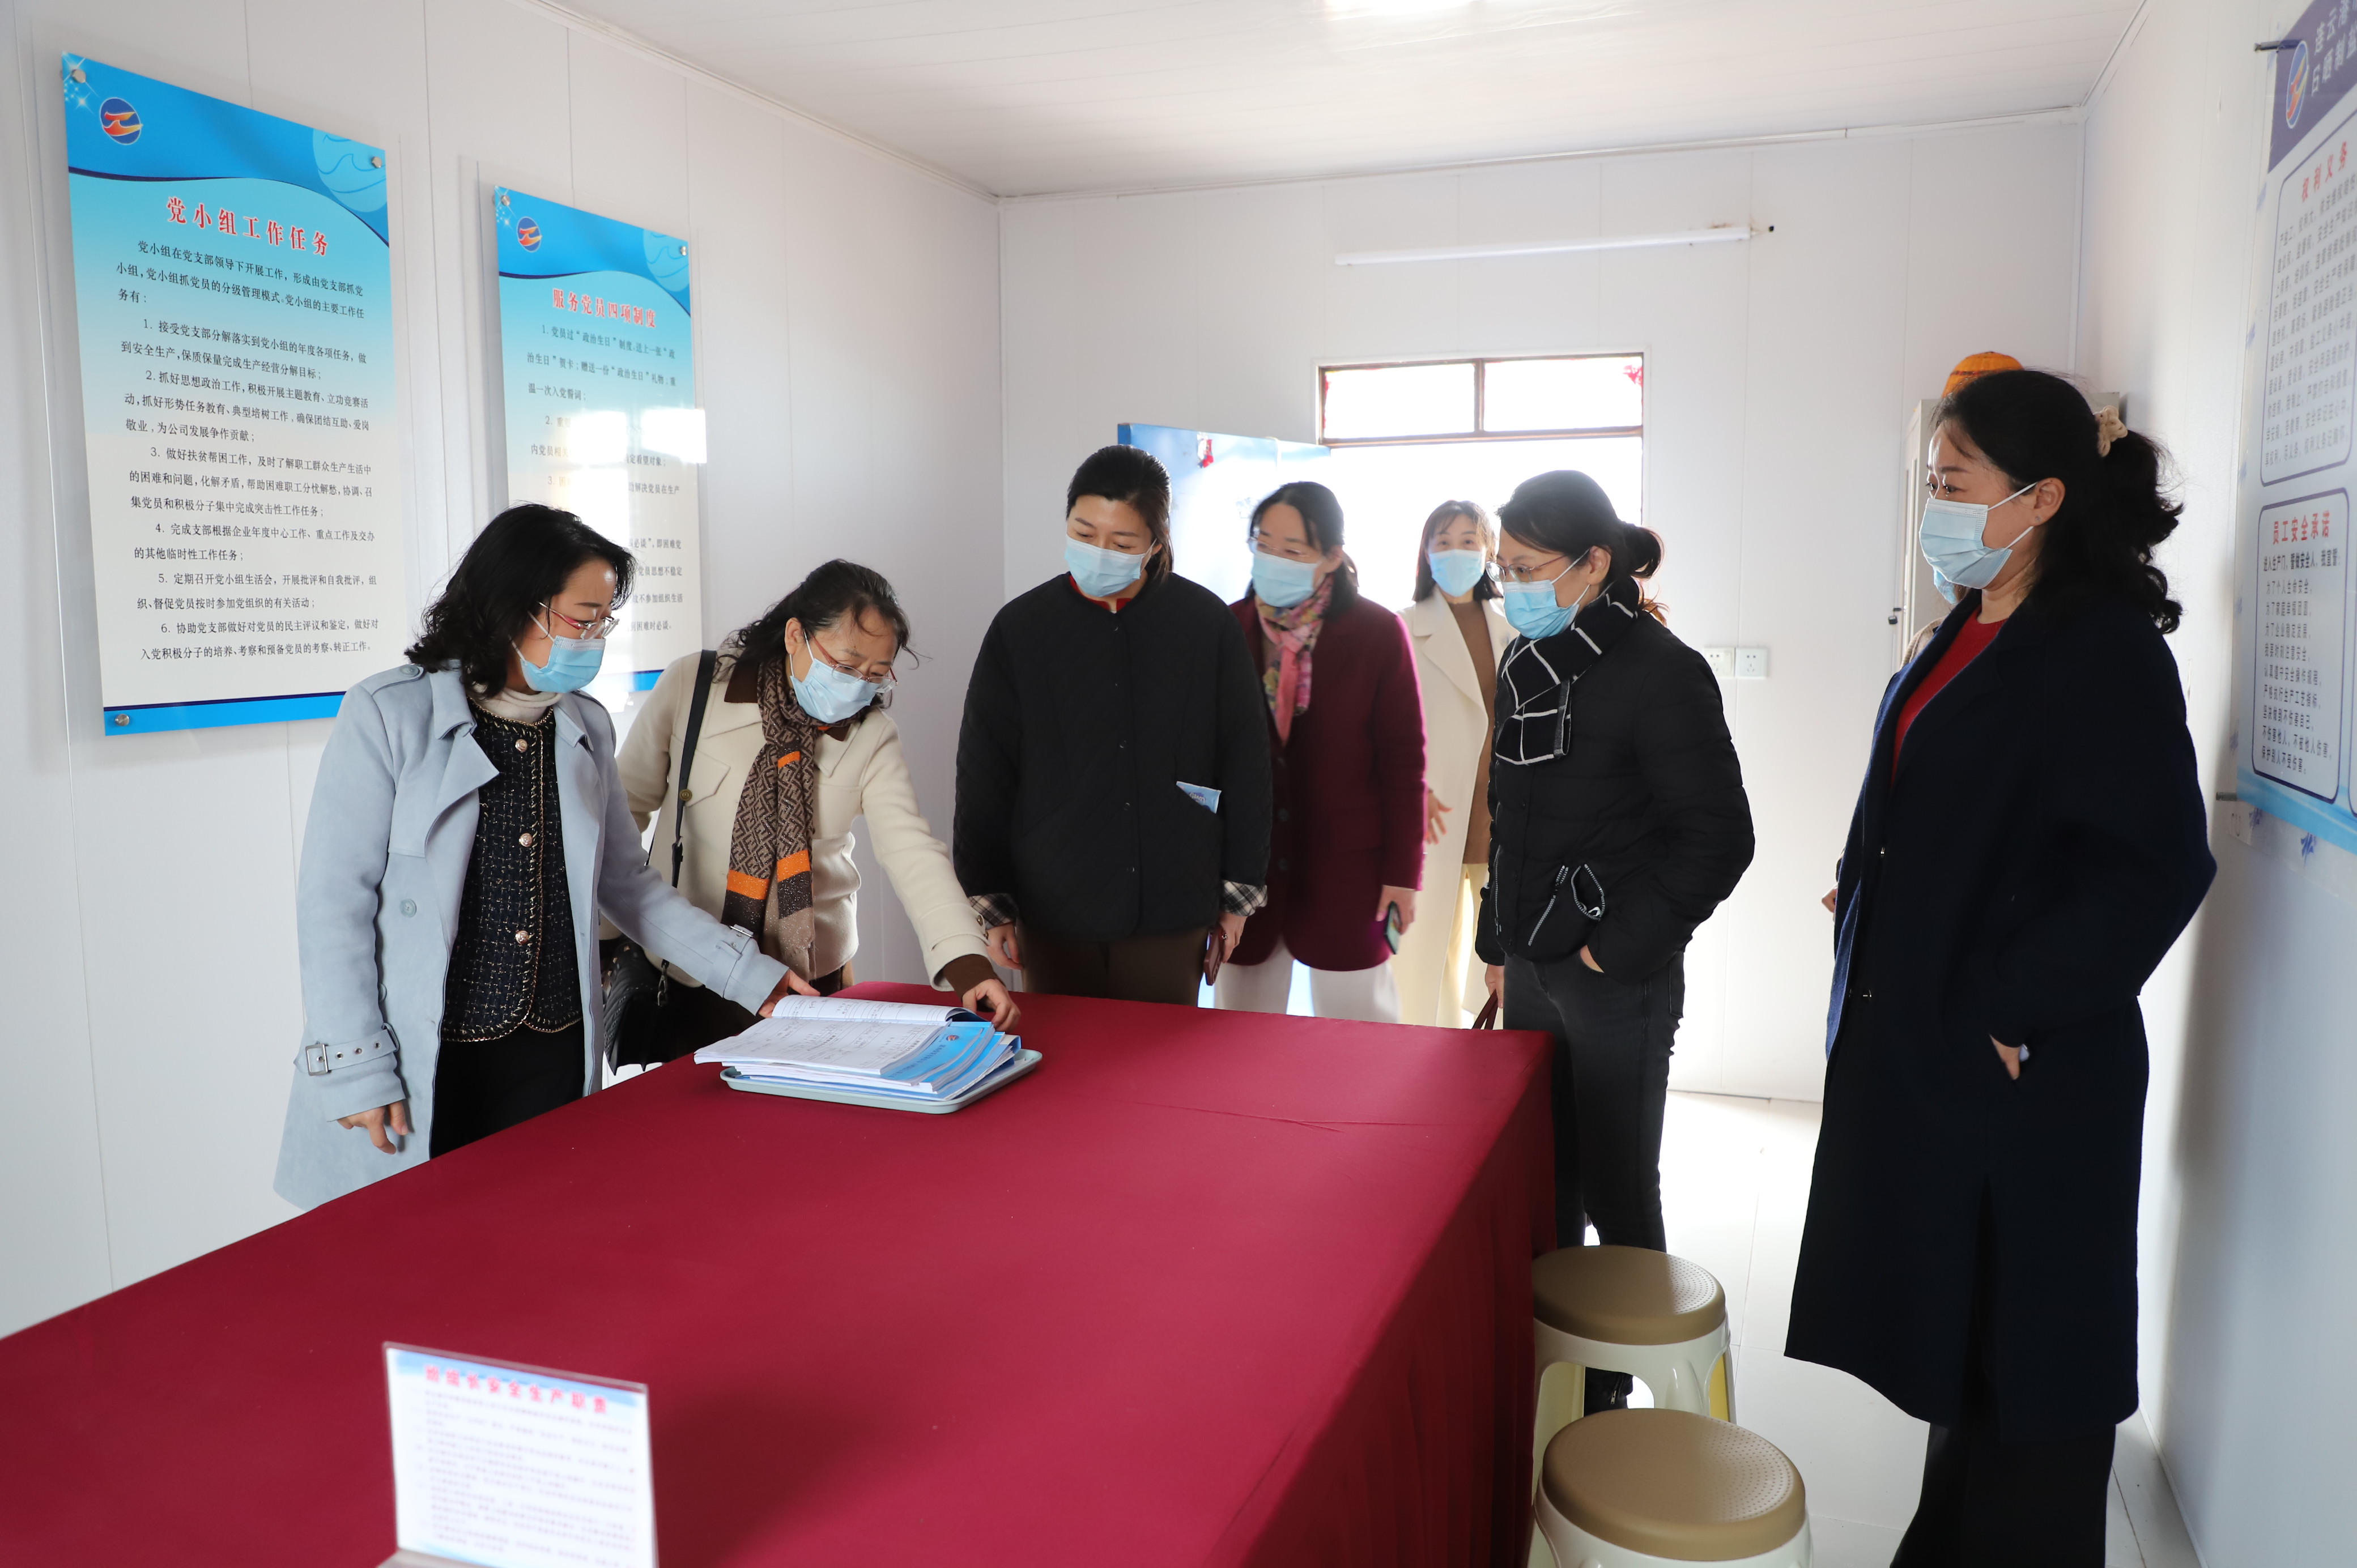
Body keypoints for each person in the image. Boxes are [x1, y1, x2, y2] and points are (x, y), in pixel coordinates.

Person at [1787, 370, 2214, 1563]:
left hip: (2031, 1066)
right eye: (1932, 479)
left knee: (2036, 1370)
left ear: (2039, 499)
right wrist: (1879, 891)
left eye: (1951, 481)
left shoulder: (2101, 646)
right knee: (1967, 1348)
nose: (1933, 503)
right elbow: (1959, 807)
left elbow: (2154, 865)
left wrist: (2011, 1005)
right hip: (1940, 1047)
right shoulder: (1970, 622)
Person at [274, 505, 807, 1208]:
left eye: (604, 621)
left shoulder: (584, 724)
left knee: (542, 1241)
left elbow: (629, 886)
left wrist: (751, 976)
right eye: (582, 619)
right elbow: (333, 901)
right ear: (512, 606)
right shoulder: (388, 713)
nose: (595, 639)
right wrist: (355, 1065)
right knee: (417, 1247)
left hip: (551, 1055)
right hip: (428, 1059)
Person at [1475, 471, 1752, 1271]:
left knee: (1618, 1192)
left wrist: (1614, 952)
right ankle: (1549, 1347)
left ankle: (1622, 1352)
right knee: (1543, 1176)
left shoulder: (1661, 671)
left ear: (1593, 563)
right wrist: (1499, 944)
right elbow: (1508, 810)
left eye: (1526, 569)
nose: (1511, 588)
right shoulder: (1525, 659)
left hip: (1614, 977)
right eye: (1504, 569)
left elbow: (1719, 838)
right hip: (1530, 960)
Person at [615, 560, 1016, 1054]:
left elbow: (913, 853)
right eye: (845, 666)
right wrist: (606, 936)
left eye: (875, 675)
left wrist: (968, 964)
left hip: (812, 980)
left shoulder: (871, 737)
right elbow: (623, 812)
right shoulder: (696, 687)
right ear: (795, 636)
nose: (857, 685)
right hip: (690, 972)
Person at [955, 445, 1272, 1004]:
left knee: (1159, 1053)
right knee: (1062, 1050)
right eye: (1084, 533)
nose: (1100, 552)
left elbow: (1246, 761)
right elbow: (985, 771)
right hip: (1052, 901)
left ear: (1156, 543)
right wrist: (990, 899)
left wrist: (1237, 896)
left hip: (1172, 898)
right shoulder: (1022, 628)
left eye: (1122, 543)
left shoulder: (1205, 625)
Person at [1212, 483, 1423, 1022]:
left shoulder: (1378, 633)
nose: (1273, 560)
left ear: (1331, 556)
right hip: (1247, 869)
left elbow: (1404, 764)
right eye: (1264, 545)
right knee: (1239, 1034)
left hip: (1349, 868)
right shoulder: (1226, 628)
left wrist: (1404, 874)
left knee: (1360, 1028)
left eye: (1293, 550)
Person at [1392, 500, 1516, 1026]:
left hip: (1497, 809)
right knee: (1424, 958)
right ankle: (1423, 1054)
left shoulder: (1514, 629)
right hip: (1433, 809)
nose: (1456, 552)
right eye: (1443, 542)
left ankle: (1492, 1060)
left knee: (1499, 958)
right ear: (1425, 552)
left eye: (1469, 541)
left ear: (1489, 551)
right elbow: (1384, 727)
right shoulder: (1401, 627)